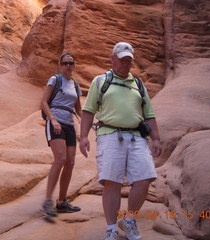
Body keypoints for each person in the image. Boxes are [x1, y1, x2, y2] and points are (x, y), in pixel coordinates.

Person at [79, 42, 162, 240]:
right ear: (112, 59)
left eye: (128, 60)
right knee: (112, 183)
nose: (125, 64)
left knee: (144, 179)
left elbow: (149, 114)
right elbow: (89, 110)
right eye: (122, 59)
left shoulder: (138, 84)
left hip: (136, 137)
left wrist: (156, 138)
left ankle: (129, 220)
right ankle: (111, 229)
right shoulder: (101, 81)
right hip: (109, 135)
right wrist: (83, 137)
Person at [40, 53, 82, 217]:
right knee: (60, 159)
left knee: (70, 162)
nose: (68, 66)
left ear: (74, 65)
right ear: (60, 65)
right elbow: (44, 102)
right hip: (56, 122)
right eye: (65, 63)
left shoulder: (75, 85)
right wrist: (53, 120)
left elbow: (77, 108)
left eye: (71, 63)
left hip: (69, 124)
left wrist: (85, 125)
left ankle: (62, 201)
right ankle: (47, 201)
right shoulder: (55, 80)